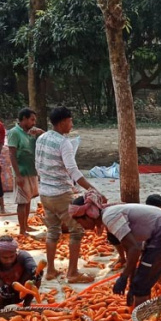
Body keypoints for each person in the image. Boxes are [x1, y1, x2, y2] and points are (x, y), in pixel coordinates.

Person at [70, 192, 161, 307]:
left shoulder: (109, 217)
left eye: (79, 221)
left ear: (88, 215)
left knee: (141, 284)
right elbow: (131, 250)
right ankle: (144, 315)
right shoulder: (109, 216)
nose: (80, 225)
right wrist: (131, 283)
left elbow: (134, 249)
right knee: (140, 281)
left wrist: (123, 278)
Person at [34, 106, 104, 283]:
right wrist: (92, 189)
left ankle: (50, 270)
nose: (72, 124)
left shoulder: (42, 137)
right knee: (76, 230)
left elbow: (38, 165)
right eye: (71, 120)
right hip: (60, 194)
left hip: (44, 193)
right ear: (63, 121)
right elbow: (73, 170)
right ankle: (72, 273)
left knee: (53, 230)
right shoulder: (63, 143)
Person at [8, 108, 45, 235]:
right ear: (24, 119)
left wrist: (40, 133)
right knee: (22, 201)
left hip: (32, 170)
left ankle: (26, 225)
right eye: (32, 119)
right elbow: (12, 154)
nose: (34, 122)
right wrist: (17, 175)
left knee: (28, 199)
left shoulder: (31, 133)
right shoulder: (14, 133)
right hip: (22, 171)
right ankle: (22, 229)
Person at [109, 193, 161, 270]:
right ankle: (122, 257)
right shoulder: (142, 215)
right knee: (113, 235)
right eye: (159, 210)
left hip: (142, 236)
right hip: (128, 230)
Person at [0, 236, 41, 310]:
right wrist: (0, 292)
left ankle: (27, 305)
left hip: (19, 293)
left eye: (12, 256)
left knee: (35, 275)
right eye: (5, 258)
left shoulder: (23, 256)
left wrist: (37, 272)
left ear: (16, 253)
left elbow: (33, 267)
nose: (9, 260)